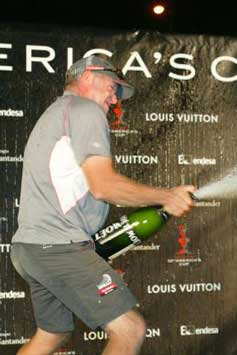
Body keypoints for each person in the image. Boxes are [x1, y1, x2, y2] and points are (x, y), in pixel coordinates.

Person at [10, 55, 196, 355]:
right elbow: (104, 186)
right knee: (130, 328)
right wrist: (167, 196)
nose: (114, 99)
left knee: (51, 333)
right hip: (59, 247)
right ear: (88, 76)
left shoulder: (57, 112)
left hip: (31, 248)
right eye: (112, 87)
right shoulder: (85, 110)